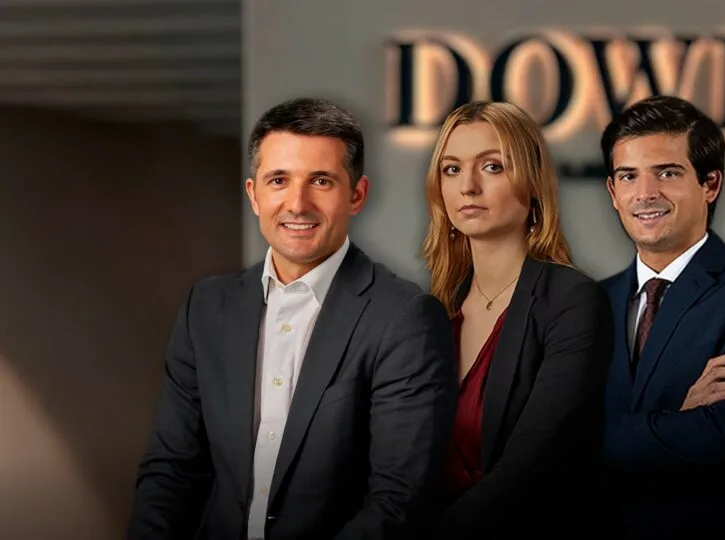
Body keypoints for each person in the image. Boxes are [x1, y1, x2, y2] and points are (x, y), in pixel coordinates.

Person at [127, 97, 459, 540]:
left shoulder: (405, 318)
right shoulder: (206, 307)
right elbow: (171, 472)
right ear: (254, 194)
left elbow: (400, 500)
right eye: (279, 180)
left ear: (357, 195)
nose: (297, 204)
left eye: (321, 181)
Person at [598, 95, 725, 539]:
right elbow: (536, 444)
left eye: (667, 173)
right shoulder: (589, 303)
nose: (645, 193)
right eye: (629, 176)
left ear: (710, 184)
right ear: (613, 192)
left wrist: (588, 441)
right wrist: (677, 415)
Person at [420, 100, 614, 539]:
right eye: (452, 169)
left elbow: (530, 468)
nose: (468, 186)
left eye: (492, 167)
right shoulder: (434, 310)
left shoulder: (572, 301)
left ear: (532, 182)